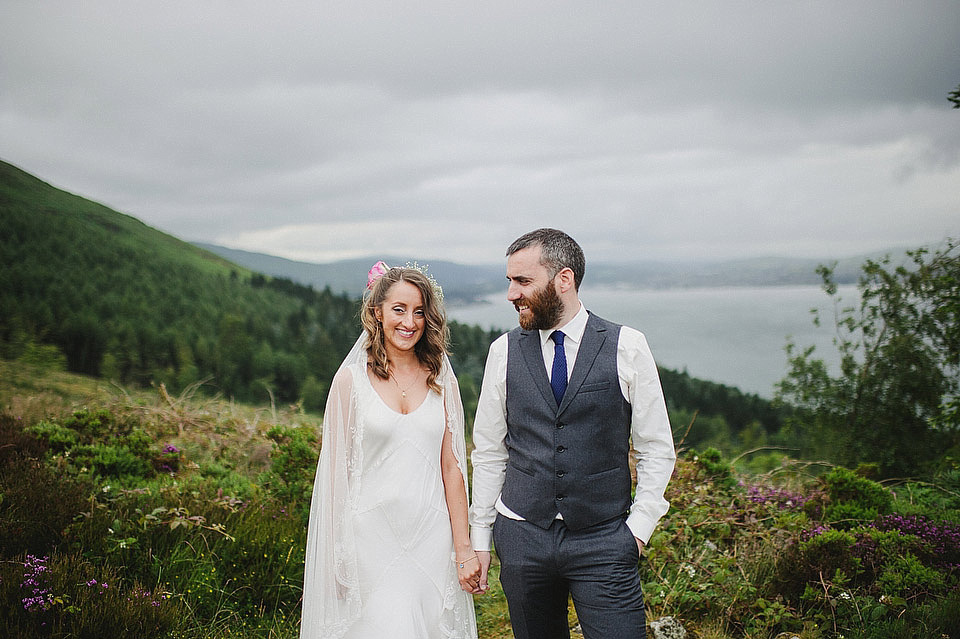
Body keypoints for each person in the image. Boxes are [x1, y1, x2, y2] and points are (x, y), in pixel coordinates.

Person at [470, 229, 677, 639]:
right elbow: (490, 451)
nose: (511, 294)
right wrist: (483, 536)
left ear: (563, 280)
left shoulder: (627, 346)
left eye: (523, 281)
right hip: (522, 537)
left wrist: (638, 530)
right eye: (509, 281)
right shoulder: (503, 351)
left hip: (605, 540)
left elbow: (656, 447)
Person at [301, 262, 480, 639]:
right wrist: (335, 557)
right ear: (377, 312)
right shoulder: (350, 381)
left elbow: (452, 468)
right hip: (368, 542)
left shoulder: (441, 375)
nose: (409, 322)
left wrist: (463, 550)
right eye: (398, 309)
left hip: (432, 539)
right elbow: (335, 475)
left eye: (418, 312)